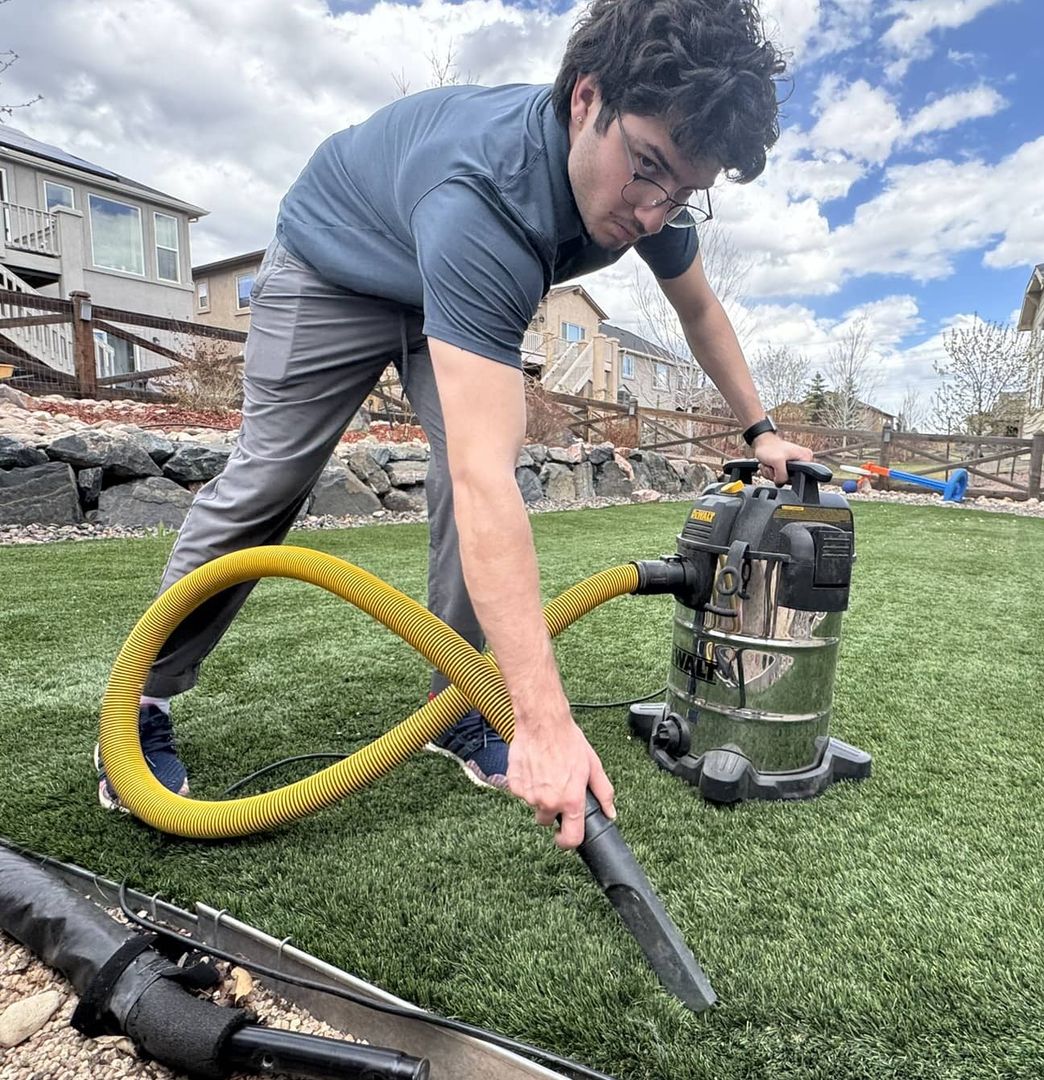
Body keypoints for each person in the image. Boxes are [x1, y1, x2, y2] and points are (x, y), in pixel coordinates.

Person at [97, 0, 813, 848]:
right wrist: (544, 724)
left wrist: (760, 429)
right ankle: (140, 701)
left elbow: (698, 309)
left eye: (684, 192)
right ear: (586, 99)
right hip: (337, 260)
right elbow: (483, 479)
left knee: (477, 473)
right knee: (272, 477)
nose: (656, 211)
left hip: (447, 274)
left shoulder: (647, 184)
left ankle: (457, 700)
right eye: (649, 170)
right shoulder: (488, 192)